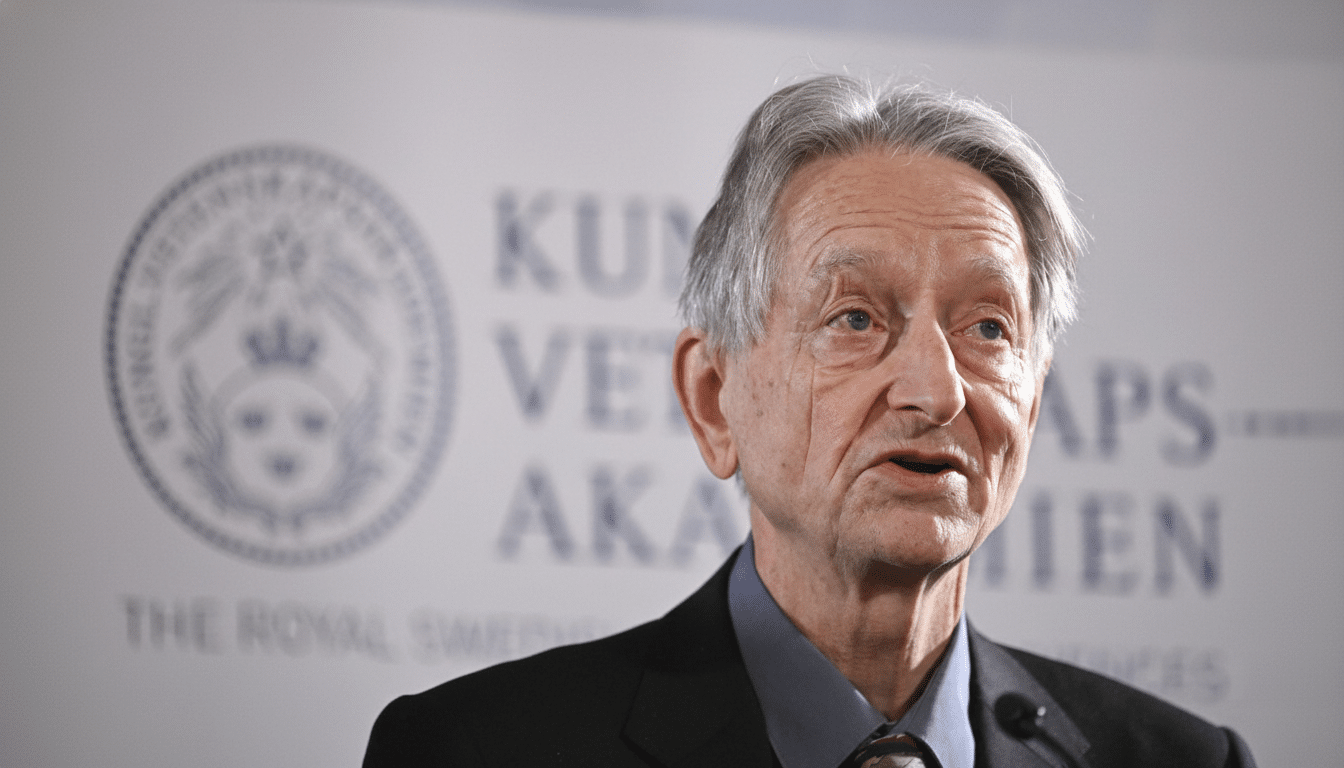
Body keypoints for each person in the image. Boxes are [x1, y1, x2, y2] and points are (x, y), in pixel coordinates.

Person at [363, 75, 1257, 768]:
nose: (936, 391)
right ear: (714, 400)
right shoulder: (479, 749)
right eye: (855, 319)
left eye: (989, 328)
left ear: (1033, 396)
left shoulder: (1184, 760)